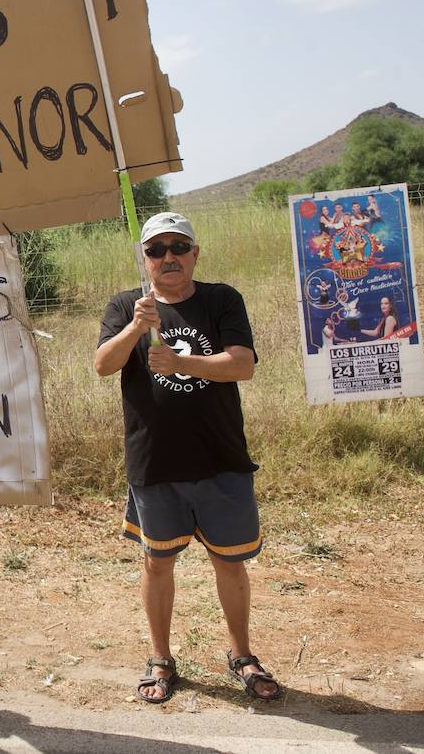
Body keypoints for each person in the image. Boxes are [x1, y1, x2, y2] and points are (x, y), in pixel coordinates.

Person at [94, 211, 282, 704]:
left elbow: (241, 365)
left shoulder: (221, 300)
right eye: (156, 249)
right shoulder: (126, 306)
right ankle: (160, 659)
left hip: (220, 458)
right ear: (145, 259)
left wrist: (180, 362)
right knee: (158, 563)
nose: (168, 257)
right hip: (156, 463)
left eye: (179, 247)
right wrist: (136, 327)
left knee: (231, 563)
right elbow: (102, 365)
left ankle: (241, 654)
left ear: (196, 253)